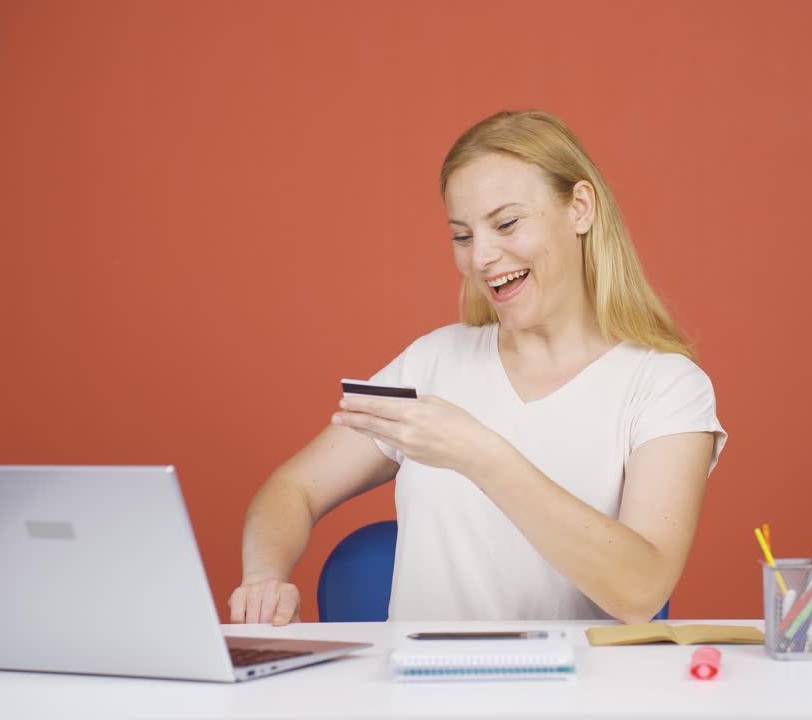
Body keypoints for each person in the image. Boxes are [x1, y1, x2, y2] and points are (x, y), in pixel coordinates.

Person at [229, 110, 726, 626]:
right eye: (462, 237)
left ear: (580, 209)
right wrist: (262, 576)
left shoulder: (664, 386)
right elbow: (293, 489)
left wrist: (480, 453)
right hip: (419, 699)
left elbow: (641, 590)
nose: (482, 257)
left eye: (506, 224)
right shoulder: (432, 362)